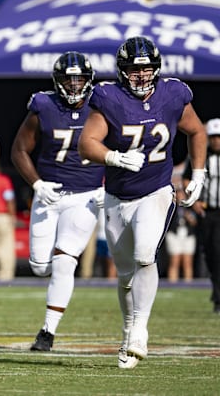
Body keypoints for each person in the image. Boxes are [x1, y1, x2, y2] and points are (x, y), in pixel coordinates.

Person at [78, 36, 207, 369]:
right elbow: (86, 144)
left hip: (157, 190)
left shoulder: (173, 93)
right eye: (135, 70)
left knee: (144, 255)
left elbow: (196, 130)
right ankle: (127, 331)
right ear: (122, 71)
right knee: (124, 275)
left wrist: (200, 173)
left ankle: (140, 329)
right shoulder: (108, 97)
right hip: (118, 196)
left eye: (147, 68)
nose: (141, 75)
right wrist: (115, 158)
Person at [11, 51, 104, 352]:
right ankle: (50, 304)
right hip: (49, 195)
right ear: (57, 80)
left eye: (80, 78)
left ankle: (47, 332)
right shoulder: (43, 105)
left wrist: (109, 185)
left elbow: (123, 145)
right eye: (69, 78)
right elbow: (19, 150)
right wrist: (37, 183)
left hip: (86, 196)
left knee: (65, 262)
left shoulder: (103, 106)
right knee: (40, 266)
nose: (75, 84)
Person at [184, 118, 220, 313]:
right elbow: (186, 179)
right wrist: (194, 200)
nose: (216, 142)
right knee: (212, 254)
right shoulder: (201, 156)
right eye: (213, 137)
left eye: (218, 137)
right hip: (208, 212)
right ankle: (217, 295)